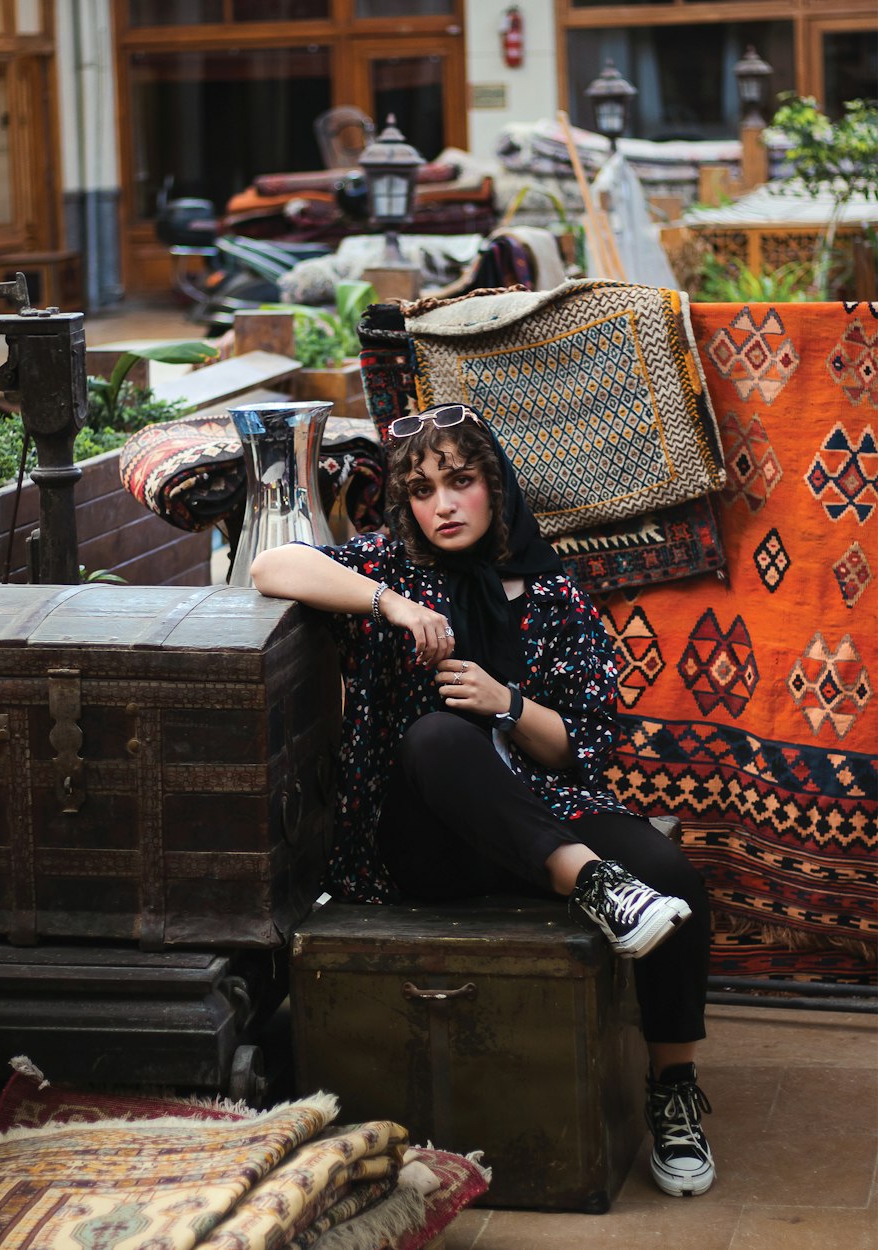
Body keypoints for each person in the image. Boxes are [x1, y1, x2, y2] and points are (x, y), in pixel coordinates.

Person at [251, 402, 715, 1198]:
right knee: (436, 737)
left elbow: (582, 749)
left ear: (493, 488)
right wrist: (390, 605)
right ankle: (596, 885)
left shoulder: (555, 596)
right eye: (424, 491)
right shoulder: (390, 572)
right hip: (421, 844)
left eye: (461, 482)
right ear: (407, 504)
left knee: (671, 874)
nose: (445, 505)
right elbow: (271, 567)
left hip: (532, 815)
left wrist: (507, 702)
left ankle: (673, 1088)